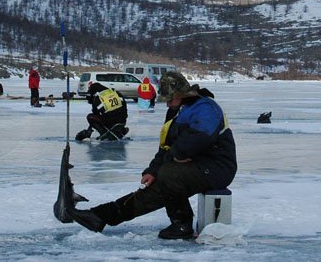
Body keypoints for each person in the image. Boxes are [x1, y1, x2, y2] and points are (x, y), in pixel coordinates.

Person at [68, 71, 236, 239]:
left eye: (170, 100)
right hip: (194, 167)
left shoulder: (205, 107)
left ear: (180, 95)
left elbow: (200, 137)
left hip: (218, 168)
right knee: (155, 186)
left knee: (168, 175)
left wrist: (176, 156)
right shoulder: (176, 112)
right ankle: (101, 216)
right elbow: (166, 147)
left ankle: (182, 224)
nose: (168, 104)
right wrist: (152, 170)